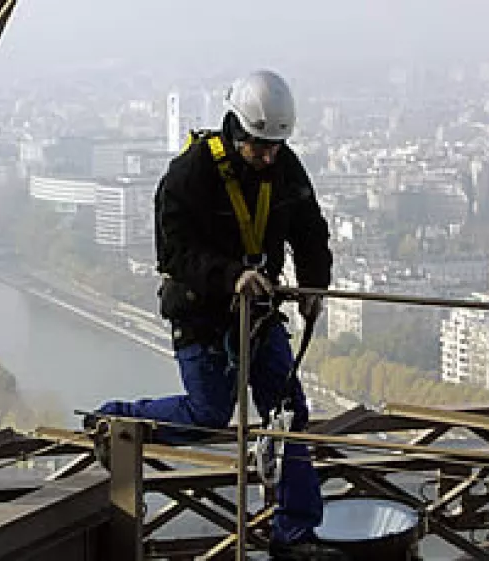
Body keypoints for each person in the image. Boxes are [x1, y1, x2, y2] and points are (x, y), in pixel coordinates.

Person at [88, 70, 337, 558]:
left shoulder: (284, 166)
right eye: (260, 147)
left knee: (289, 414)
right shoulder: (191, 174)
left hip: (259, 316)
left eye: (275, 147)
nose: (268, 156)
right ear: (236, 131)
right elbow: (174, 253)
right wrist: (229, 276)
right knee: (208, 414)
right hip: (203, 315)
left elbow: (310, 230)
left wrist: (313, 284)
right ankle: (113, 421)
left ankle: (295, 534)